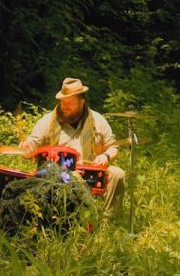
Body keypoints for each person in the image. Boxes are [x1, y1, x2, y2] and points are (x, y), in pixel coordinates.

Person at [19, 78, 126, 214]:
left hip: (91, 173)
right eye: (63, 102)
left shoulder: (97, 120)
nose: (65, 106)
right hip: (58, 175)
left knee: (118, 174)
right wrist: (26, 148)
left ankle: (107, 220)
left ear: (82, 102)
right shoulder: (49, 121)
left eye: (69, 103)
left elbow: (113, 147)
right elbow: (32, 145)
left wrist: (105, 155)